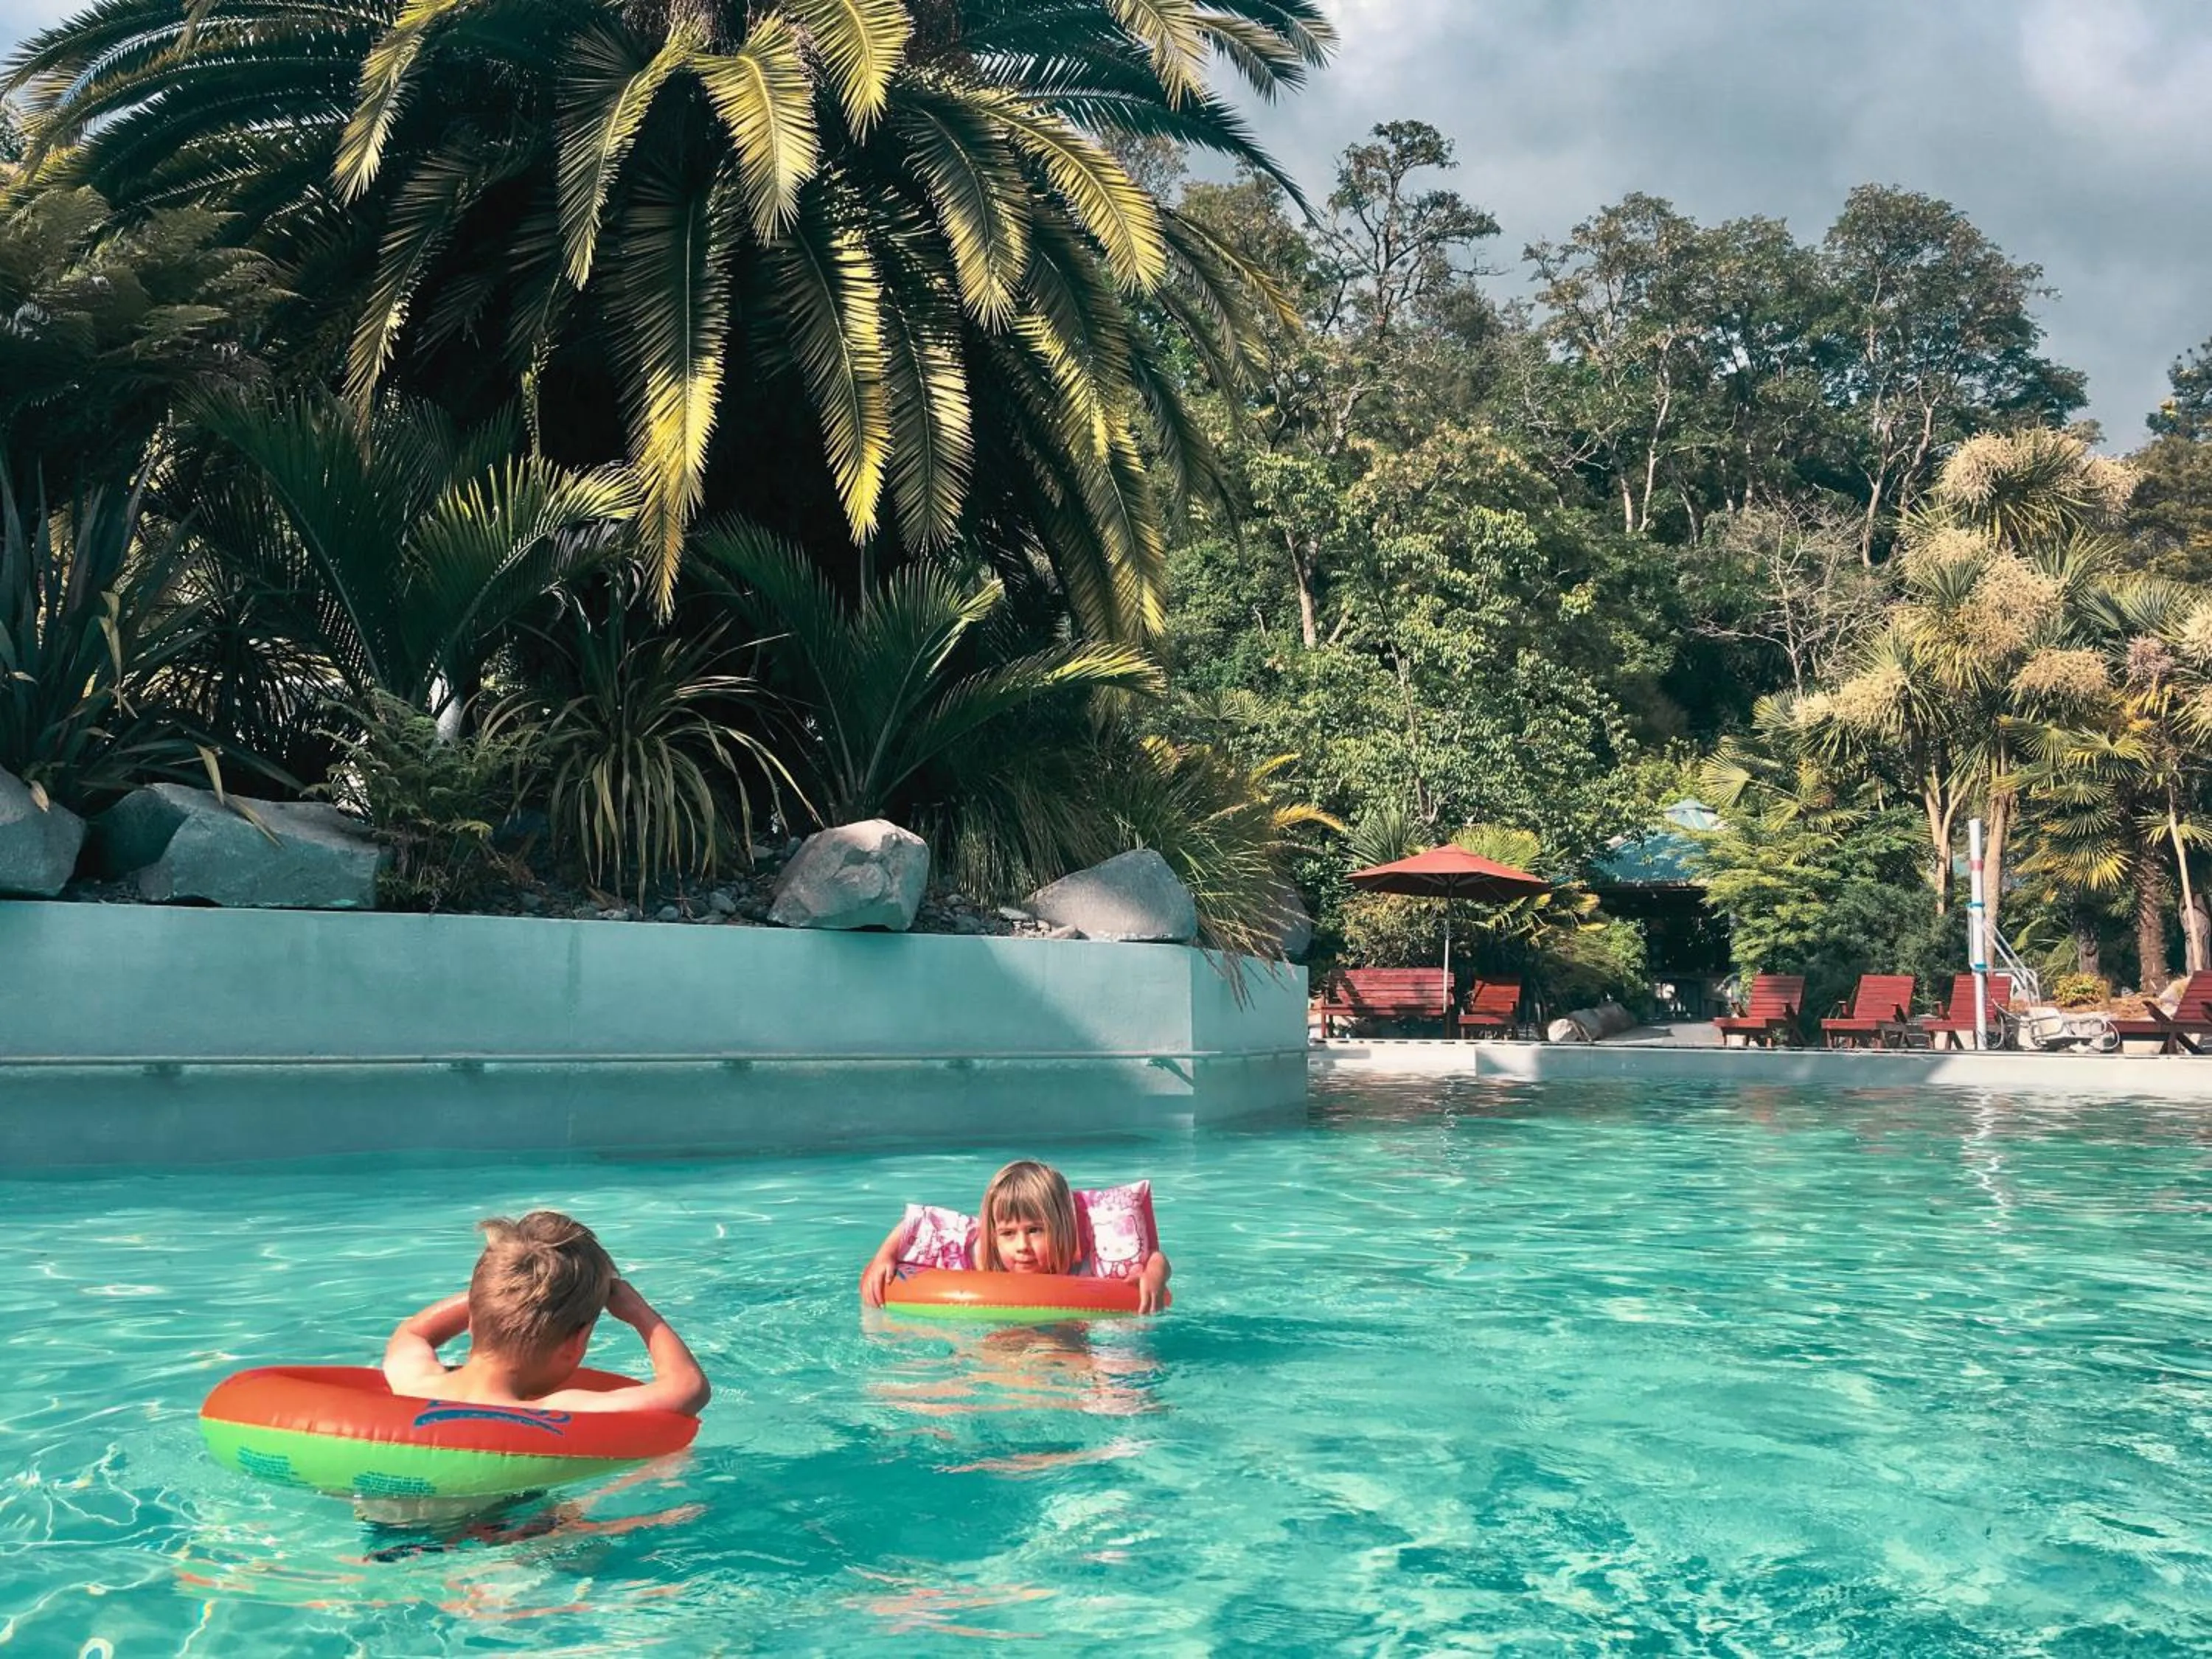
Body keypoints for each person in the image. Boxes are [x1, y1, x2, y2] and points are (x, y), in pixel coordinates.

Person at [383, 1210, 710, 1416]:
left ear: (471, 1320)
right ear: (576, 1343)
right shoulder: (553, 1411)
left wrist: (492, 1297)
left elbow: (411, 1332)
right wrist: (640, 1313)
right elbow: (688, 1390)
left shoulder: (415, 1381)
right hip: (505, 1526)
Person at [859, 1159, 1172, 1313]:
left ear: (1063, 1226)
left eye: (1035, 1231)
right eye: (1008, 1234)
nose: (1022, 1247)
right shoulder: (977, 1255)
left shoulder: (1089, 1266)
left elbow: (1154, 1258)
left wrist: (1155, 1275)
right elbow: (917, 1227)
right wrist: (884, 1257)